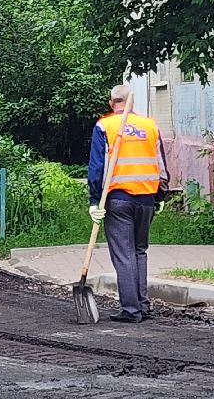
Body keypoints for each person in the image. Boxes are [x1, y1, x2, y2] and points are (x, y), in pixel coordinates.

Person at [86, 83, 166, 323]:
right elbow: (161, 164)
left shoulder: (104, 125)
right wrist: (160, 196)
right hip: (146, 200)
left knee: (124, 255)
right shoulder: (150, 126)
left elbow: (97, 168)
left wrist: (93, 201)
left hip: (119, 199)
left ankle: (131, 310)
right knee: (139, 251)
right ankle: (142, 305)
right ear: (131, 102)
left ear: (112, 103)